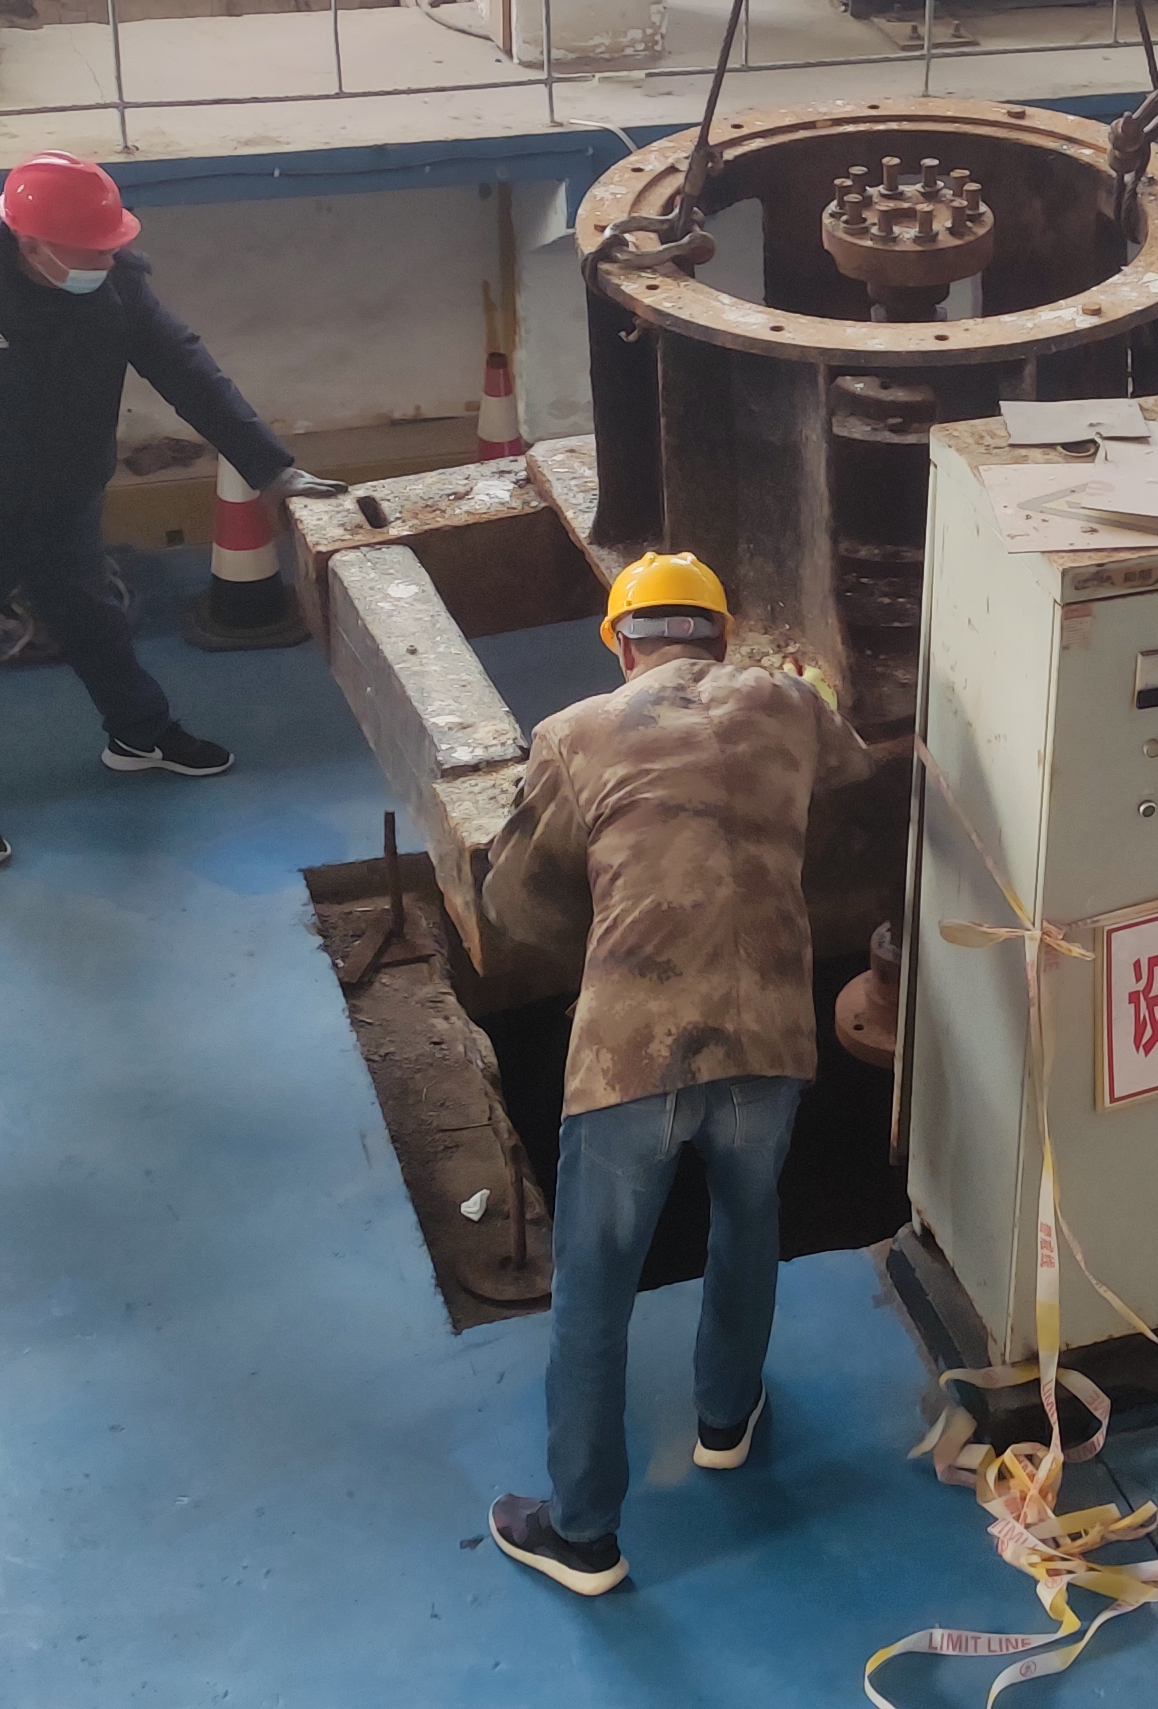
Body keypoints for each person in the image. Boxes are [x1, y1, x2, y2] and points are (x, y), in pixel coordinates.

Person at [472, 554, 873, 1597]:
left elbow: (516, 901)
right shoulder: (789, 704)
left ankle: (582, 1534)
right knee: (747, 1218)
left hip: (632, 1051)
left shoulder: (574, 733)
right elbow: (849, 772)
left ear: (622, 644)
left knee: (596, 1283)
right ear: (722, 635)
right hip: (770, 1030)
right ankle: (725, 1419)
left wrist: (616, 925)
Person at [0, 152, 344, 868]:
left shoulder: (113, 284)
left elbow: (184, 367)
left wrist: (272, 467)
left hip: (64, 497)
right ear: (31, 245)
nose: (108, 262)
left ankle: (139, 736)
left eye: (112, 247)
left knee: (95, 625)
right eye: (91, 251)